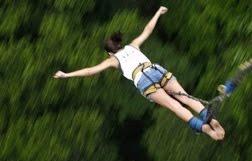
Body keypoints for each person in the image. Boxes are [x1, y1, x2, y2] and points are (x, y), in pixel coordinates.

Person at [54, 6, 225, 140]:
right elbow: (148, 30)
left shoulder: (113, 60)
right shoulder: (133, 45)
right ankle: (209, 118)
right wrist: (158, 12)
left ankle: (203, 128)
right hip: (155, 69)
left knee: (174, 106)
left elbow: (91, 71)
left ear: (111, 53)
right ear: (119, 45)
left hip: (144, 80)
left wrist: (67, 75)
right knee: (186, 97)